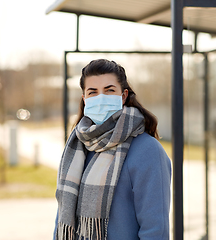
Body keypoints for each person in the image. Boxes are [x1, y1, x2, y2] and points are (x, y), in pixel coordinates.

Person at [54, 59, 171, 240]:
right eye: (92, 92)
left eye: (109, 90)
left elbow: (156, 230)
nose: (101, 98)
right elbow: (62, 216)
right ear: (84, 99)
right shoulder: (77, 147)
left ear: (123, 96)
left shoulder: (148, 150)